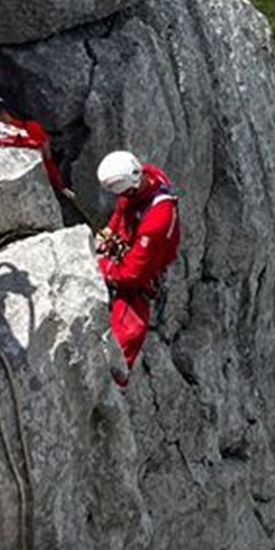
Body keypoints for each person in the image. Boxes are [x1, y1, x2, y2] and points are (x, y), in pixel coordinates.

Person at [96, 151, 181, 384]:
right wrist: (111, 231)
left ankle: (114, 378)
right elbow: (124, 207)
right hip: (133, 242)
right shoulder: (145, 177)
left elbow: (134, 273)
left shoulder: (158, 218)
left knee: (130, 327)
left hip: (144, 263)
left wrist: (104, 268)